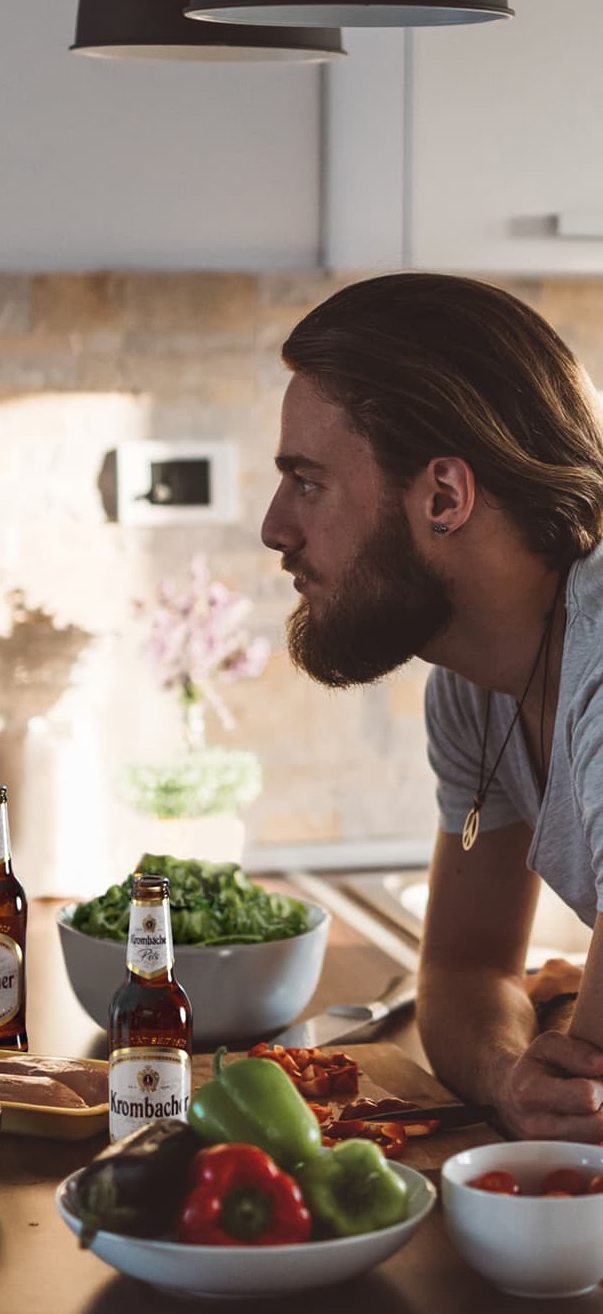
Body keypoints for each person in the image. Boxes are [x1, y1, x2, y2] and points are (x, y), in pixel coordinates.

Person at [260, 271, 603, 1143]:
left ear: (444, 496)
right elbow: (462, 966)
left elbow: (586, 1110)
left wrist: (556, 1062)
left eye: (308, 481)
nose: (275, 527)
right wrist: (510, 1074)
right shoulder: (477, 681)